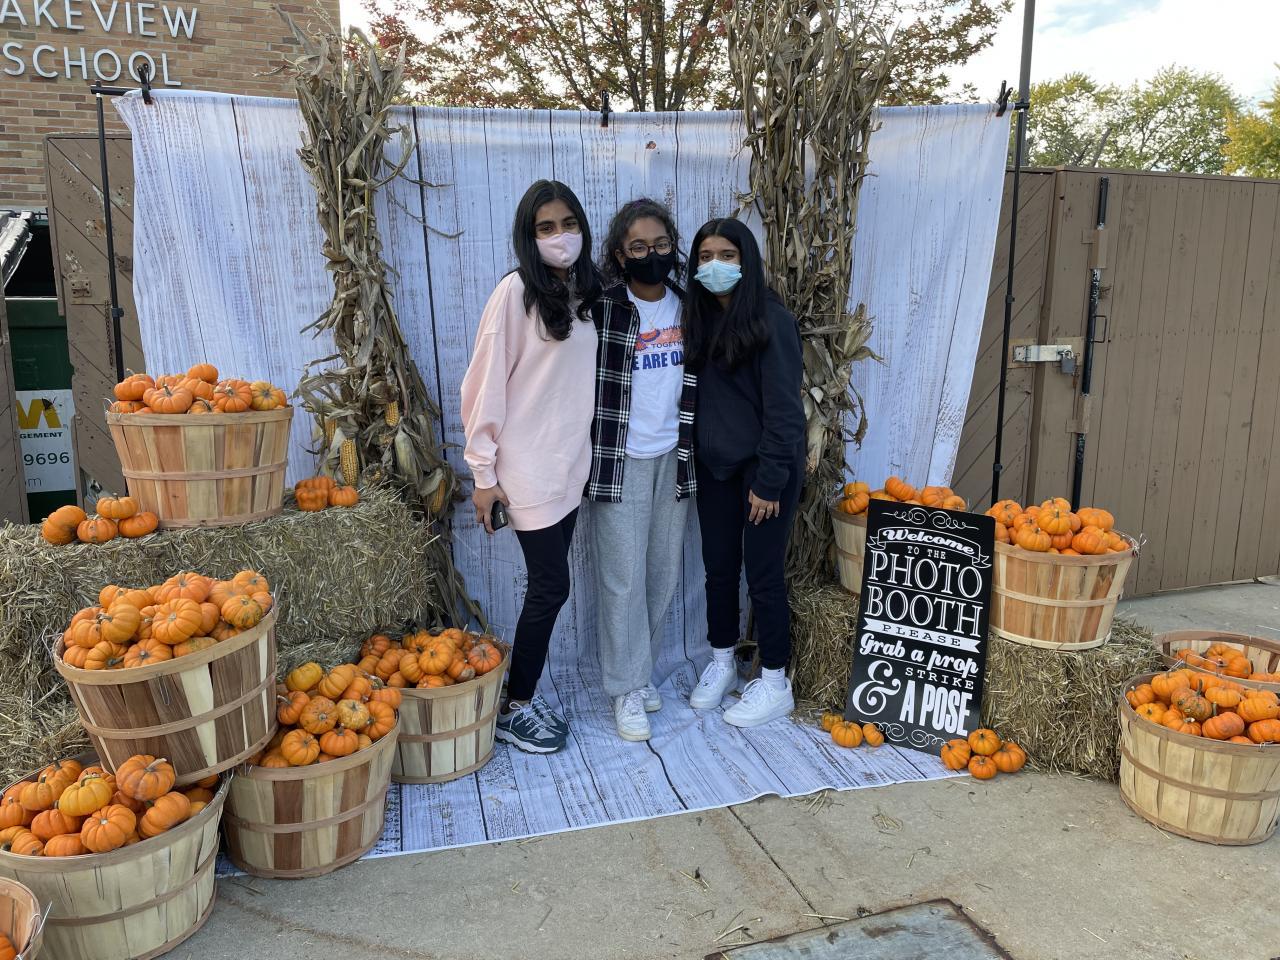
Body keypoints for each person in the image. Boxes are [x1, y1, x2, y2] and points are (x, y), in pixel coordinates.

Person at [461, 179, 602, 754]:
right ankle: (515, 705)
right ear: (528, 236)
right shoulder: (515, 293)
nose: (560, 236)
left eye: (569, 224)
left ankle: (519, 695)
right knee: (551, 586)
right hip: (527, 470)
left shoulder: (584, 294)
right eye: (546, 227)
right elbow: (483, 386)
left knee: (551, 585)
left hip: (569, 466)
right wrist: (483, 476)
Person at [682, 218, 805, 727]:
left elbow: (785, 412)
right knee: (718, 569)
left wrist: (770, 480)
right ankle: (721, 660)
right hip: (715, 467)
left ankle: (775, 680)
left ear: (746, 261)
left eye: (727, 256)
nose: (715, 265)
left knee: (763, 575)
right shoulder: (701, 318)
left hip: (763, 471)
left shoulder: (771, 321)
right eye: (705, 256)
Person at [586, 198, 697, 742]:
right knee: (622, 577)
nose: (651, 254)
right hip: (620, 458)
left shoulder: (690, 307)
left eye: (660, 244)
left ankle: (641, 669)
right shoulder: (602, 309)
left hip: (676, 456)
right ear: (619, 254)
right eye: (638, 247)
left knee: (662, 572)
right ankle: (625, 687)